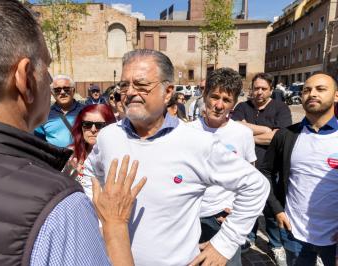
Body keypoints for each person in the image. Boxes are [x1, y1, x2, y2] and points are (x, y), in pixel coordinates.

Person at [0, 1, 146, 265]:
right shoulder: (60, 208)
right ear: (24, 77)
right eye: (45, 66)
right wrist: (116, 227)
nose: (50, 82)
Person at [81, 49, 270, 266]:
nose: (130, 92)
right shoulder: (108, 136)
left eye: (141, 85)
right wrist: (97, 218)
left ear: (168, 91)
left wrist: (224, 244)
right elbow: (90, 173)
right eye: (124, 85)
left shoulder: (198, 143)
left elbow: (256, 186)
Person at [260, 72, 338, 266]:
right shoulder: (287, 135)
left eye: (320, 89)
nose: (312, 94)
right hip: (294, 232)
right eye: (306, 90)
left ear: (336, 95)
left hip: (334, 238)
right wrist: (277, 210)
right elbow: (266, 172)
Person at [189, 68, 257, 266]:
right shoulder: (186, 131)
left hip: (222, 220)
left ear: (234, 104)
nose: (219, 105)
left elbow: (250, 178)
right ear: (205, 95)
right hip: (189, 218)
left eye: (226, 100)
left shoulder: (242, 134)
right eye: (215, 97)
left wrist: (237, 214)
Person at [231, 73, 292, 264]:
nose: (259, 92)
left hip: (271, 166)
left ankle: (275, 245)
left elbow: (280, 136)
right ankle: (248, 237)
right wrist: (266, 130)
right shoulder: (242, 107)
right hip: (245, 166)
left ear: (271, 90)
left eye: (263, 89)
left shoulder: (281, 108)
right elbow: (234, 129)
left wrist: (247, 133)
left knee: (270, 206)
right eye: (256, 88)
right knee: (245, 203)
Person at [64, 104, 116, 181]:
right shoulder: (70, 154)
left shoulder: (117, 155)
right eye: (87, 124)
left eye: (100, 125)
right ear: (80, 127)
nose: (93, 129)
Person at [34, 75, 84, 148]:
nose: (62, 92)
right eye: (57, 90)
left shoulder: (86, 111)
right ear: (52, 94)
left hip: (81, 157)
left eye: (66, 89)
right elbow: (39, 141)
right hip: (54, 158)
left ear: (73, 91)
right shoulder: (44, 114)